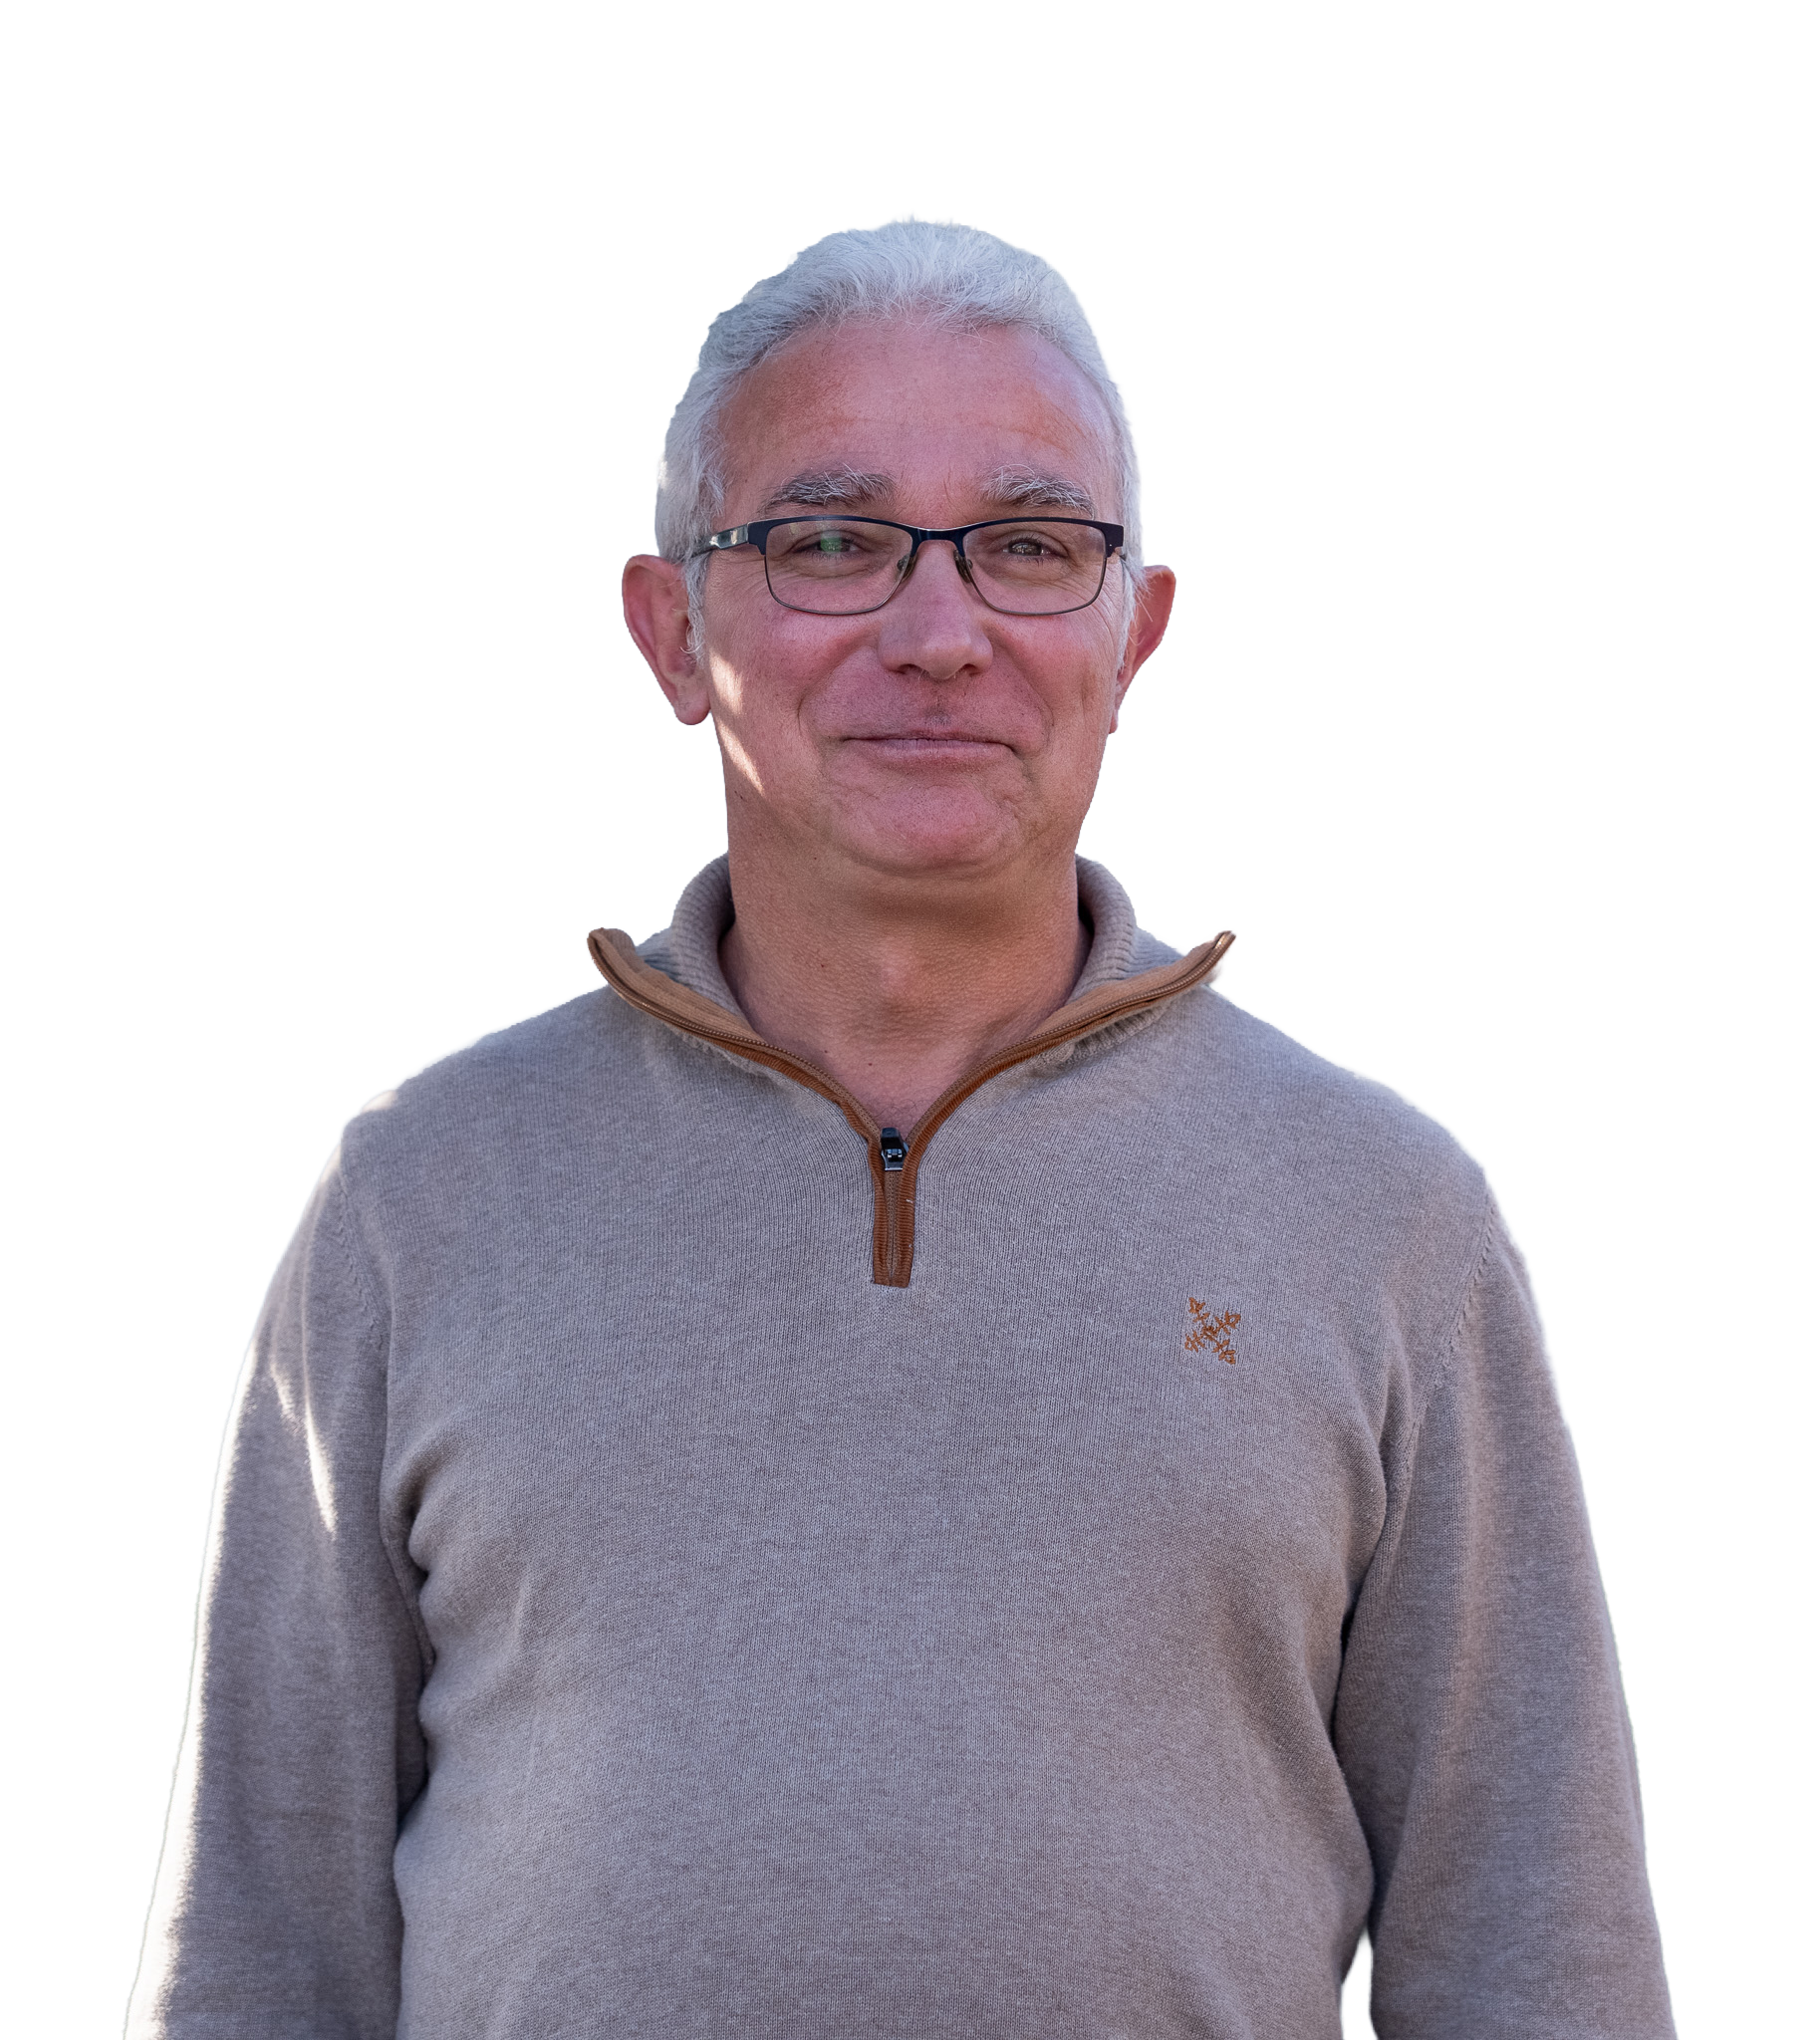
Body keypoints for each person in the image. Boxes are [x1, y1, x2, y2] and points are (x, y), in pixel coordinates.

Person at [127, 211, 1677, 2039]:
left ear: (1132, 632)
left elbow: (1534, 1953)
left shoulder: (1380, 1214)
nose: (939, 635)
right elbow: (258, 1942)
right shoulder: (422, 1193)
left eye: (1029, 547)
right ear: (671, 627)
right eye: (831, 543)